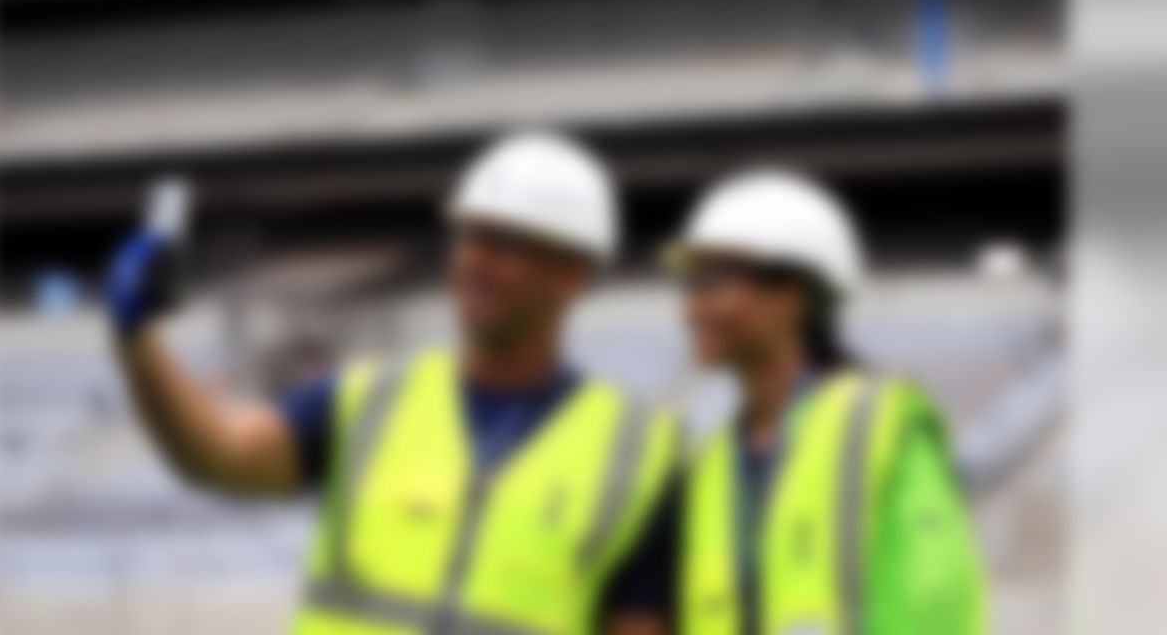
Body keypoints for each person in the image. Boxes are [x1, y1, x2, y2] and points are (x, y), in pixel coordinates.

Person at [104, 130, 679, 634]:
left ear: (572, 273)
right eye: (470, 235)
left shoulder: (640, 453)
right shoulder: (367, 400)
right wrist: (137, 338)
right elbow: (218, 456)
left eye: (506, 242)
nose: (475, 258)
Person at [616, 168, 988, 634]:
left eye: (711, 281)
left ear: (794, 293)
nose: (691, 308)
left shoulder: (877, 421)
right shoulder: (708, 465)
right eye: (689, 285)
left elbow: (933, 603)